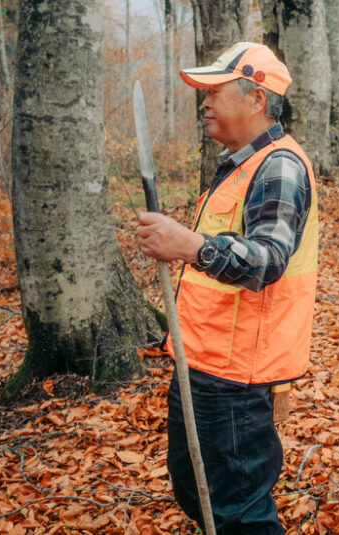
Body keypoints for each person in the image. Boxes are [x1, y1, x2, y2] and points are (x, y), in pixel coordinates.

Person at [136, 42, 318, 534]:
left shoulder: (279, 166)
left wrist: (188, 245)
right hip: (202, 361)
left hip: (237, 374)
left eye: (215, 91)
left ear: (256, 98)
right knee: (196, 489)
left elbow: (268, 260)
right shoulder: (239, 164)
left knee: (239, 512)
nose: (205, 102)